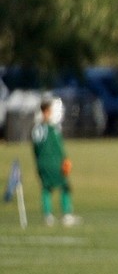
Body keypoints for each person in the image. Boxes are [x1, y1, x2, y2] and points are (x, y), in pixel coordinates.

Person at [31, 96, 78, 227]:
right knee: (65, 187)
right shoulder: (52, 128)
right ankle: (67, 214)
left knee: (46, 188)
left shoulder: (36, 129)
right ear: (45, 111)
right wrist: (65, 159)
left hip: (41, 163)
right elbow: (58, 147)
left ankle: (48, 216)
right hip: (54, 162)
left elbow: (35, 149)